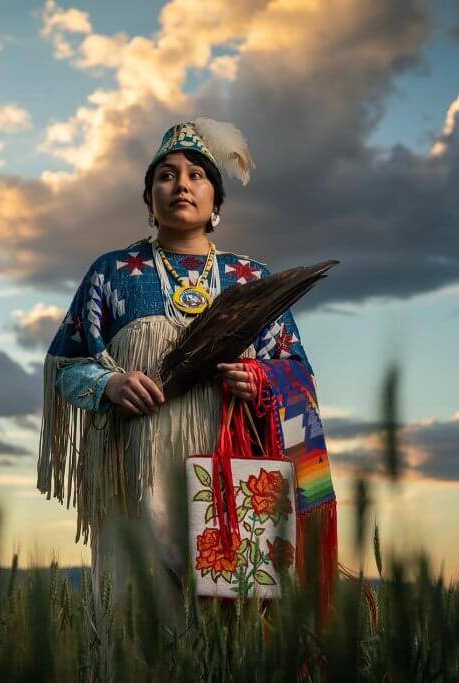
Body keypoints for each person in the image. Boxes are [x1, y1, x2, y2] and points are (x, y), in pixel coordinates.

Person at [36, 118, 336, 614]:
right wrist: (109, 384)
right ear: (149, 196)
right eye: (167, 174)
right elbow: (66, 365)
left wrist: (260, 380)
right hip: (133, 471)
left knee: (232, 629)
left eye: (197, 174)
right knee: (141, 624)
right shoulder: (112, 273)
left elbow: (297, 372)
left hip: (235, 474)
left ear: (216, 201)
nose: (181, 184)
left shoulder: (248, 279)